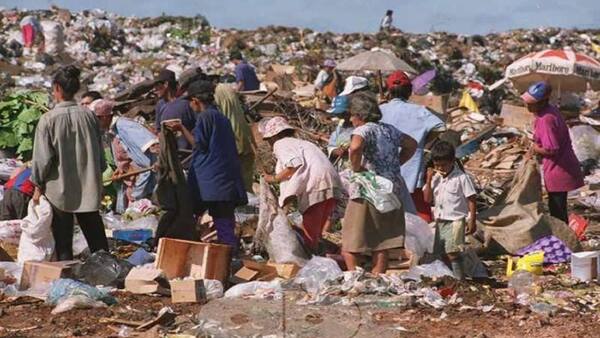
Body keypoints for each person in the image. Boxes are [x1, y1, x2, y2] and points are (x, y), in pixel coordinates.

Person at [30, 65, 109, 260]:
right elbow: (101, 157)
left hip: (60, 192)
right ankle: (111, 275)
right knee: (98, 242)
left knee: (64, 245)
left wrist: (37, 185)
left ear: (57, 88)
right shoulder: (89, 116)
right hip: (88, 188)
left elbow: (42, 160)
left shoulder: (48, 120)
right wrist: (97, 175)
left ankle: (68, 281)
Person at [165, 81, 247, 252]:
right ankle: (230, 252)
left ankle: (223, 255)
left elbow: (198, 144)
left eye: (190, 102)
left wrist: (181, 127)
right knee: (225, 220)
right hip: (224, 178)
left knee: (201, 216)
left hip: (211, 181)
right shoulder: (221, 117)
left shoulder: (204, 117)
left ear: (196, 101)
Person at [342, 92, 417, 274]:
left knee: (351, 241)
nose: (351, 119)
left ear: (360, 115)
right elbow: (412, 144)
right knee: (382, 241)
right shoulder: (389, 130)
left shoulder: (363, 130)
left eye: (352, 114)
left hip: (368, 189)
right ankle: (378, 278)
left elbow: (355, 147)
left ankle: (354, 276)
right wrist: (395, 164)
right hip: (390, 188)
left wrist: (356, 166)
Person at [261, 116, 342, 252]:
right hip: (331, 181)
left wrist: (273, 178)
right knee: (317, 232)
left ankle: (310, 260)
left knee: (309, 233)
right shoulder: (301, 143)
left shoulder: (280, 144)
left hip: (316, 183)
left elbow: (293, 165)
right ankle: (318, 256)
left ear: (274, 137)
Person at [380, 71, 445, 222]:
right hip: (411, 169)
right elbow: (440, 127)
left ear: (389, 90)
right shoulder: (419, 111)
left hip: (384, 170)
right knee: (418, 214)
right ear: (409, 91)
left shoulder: (380, 111)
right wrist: (424, 143)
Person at [522, 81, 584, 223]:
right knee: (559, 208)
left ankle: (563, 242)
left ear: (542, 102)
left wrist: (534, 147)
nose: (527, 105)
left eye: (531, 103)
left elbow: (551, 149)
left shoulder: (546, 119)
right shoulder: (550, 111)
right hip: (562, 166)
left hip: (558, 170)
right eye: (527, 102)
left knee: (557, 212)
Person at [423, 141, 477, 280]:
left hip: (456, 220)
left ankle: (460, 280)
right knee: (440, 252)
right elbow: (427, 199)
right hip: (441, 220)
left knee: (453, 252)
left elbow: (471, 198)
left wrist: (472, 220)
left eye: (444, 165)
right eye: (437, 165)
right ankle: (448, 278)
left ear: (452, 161)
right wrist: (428, 180)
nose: (441, 168)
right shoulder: (436, 178)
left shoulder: (461, 178)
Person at [214, 83, 256, 191]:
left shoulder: (216, 96)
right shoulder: (227, 89)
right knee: (246, 181)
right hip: (246, 137)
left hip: (233, 139)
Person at [154, 68, 197, 151]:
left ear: (166, 84)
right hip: (170, 153)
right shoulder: (160, 105)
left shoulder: (186, 103)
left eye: (157, 85)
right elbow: (159, 131)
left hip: (188, 152)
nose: (154, 89)